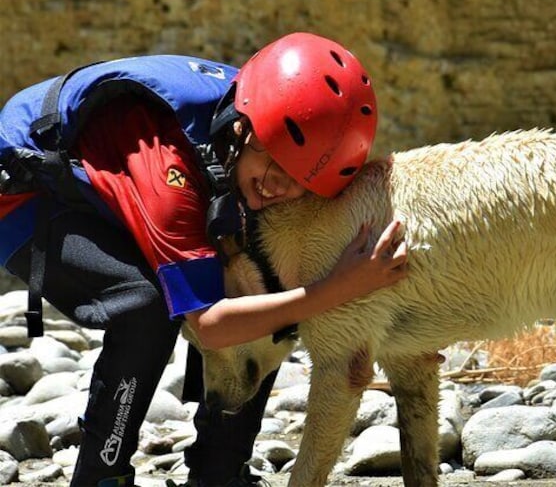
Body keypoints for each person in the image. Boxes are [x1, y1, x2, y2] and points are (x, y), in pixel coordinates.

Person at [0, 32, 408, 486]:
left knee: (263, 274)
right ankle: (102, 473)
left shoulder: (261, 113)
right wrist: (337, 289)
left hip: (116, 174)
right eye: (272, 162)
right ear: (242, 129)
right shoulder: (169, 171)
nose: (277, 186)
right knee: (144, 305)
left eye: (297, 182)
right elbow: (212, 325)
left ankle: (219, 472)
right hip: (27, 193)